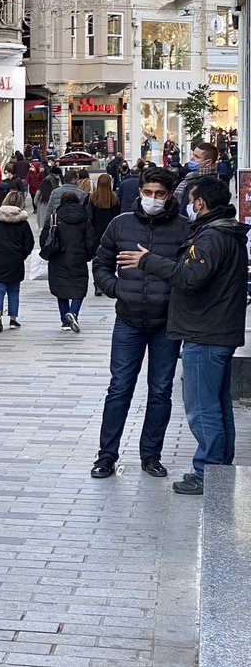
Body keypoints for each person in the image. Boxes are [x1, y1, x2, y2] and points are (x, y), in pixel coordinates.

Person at [119, 178, 249, 494]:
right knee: (217, 405)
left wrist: (147, 260)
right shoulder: (223, 233)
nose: (189, 205)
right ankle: (219, 468)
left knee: (202, 407)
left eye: (191, 200)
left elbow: (189, 276)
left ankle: (207, 471)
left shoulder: (212, 238)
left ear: (200, 203)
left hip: (205, 333)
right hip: (215, 330)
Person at [90, 167, 190, 481]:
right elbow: (101, 262)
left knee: (160, 391)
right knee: (119, 388)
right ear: (140, 192)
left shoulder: (184, 229)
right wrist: (115, 288)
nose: (153, 199)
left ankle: (151, 455)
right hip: (128, 319)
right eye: (148, 193)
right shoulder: (121, 225)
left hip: (166, 322)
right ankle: (106, 456)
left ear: (170, 195)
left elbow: (189, 272)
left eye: (160, 194)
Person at [40, 190, 94, 332]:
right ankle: (73, 312)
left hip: (58, 256)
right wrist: (87, 255)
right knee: (80, 286)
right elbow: (90, 240)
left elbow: (43, 238)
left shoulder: (54, 217)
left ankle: (65, 320)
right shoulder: (84, 217)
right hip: (78, 256)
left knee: (60, 287)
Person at [0, 190, 35, 332]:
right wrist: (22, 254)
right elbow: (29, 242)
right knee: (14, 290)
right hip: (15, 259)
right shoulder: (22, 223)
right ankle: (13, 318)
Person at [86, 174, 121, 293]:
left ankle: (97, 283)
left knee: (97, 260)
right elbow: (117, 217)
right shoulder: (115, 199)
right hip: (110, 234)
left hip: (96, 234)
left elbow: (89, 217)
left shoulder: (92, 198)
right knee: (110, 259)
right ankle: (107, 282)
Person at [173, 141, 218, 209]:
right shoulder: (190, 177)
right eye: (193, 155)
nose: (192, 158)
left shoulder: (206, 184)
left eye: (197, 157)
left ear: (208, 162)